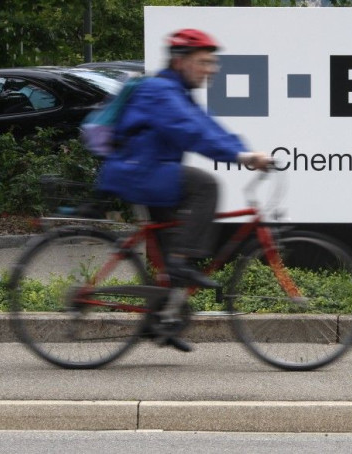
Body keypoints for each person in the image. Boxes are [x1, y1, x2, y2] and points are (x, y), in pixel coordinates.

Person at [97, 28, 271, 351]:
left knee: (169, 250)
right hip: (141, 172)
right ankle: (182, 262)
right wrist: (240, 156)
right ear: (180, 62)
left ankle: (160, 318)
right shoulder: (160, 91)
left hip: (150, 174)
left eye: (212, 62)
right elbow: (191, 132)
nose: (211, 69)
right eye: (203, 62)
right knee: (205, 186)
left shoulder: (177, 92)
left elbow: (207, 126)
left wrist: (242, 151)